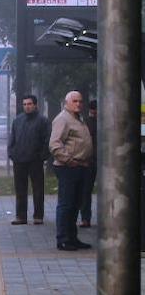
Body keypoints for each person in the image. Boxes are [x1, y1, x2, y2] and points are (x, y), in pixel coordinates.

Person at [49, 91, 93, 251]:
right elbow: (54, 144)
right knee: (66, 204)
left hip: (81, 166)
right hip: (68, 167)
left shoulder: (78, 119)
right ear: (66, 102)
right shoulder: (62, 119)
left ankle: (72, 237)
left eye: (80, 101)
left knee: (75, 204)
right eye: (75, 101)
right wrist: (69, 160)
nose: (78, 104)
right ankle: (63, 239)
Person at [7, 94, 50, 225]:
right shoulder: (17, 120)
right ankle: (21, 216)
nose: (27, 107)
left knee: (38, 189)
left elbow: (47, 140)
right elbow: (12, 138)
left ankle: (38, 216)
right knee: (20, 190)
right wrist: (11, 153)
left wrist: (42, 156)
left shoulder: (42, 121)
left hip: (35, 160)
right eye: (25, 104)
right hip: (19, 160)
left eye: (29, 104)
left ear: (35, 105)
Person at [78, 99, 98, 228]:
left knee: (86, 190)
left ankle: (86, 218)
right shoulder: (86, 123)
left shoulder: (85, 122)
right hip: (91, 160)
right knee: (86, 190)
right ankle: (85, 217)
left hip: (90, 160)